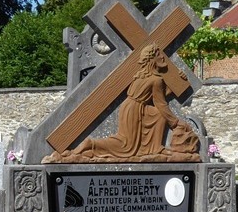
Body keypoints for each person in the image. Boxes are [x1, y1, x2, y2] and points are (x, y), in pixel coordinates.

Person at [65, 42, 199, 160]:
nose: (162, 57)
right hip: (135, 111)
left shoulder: (141, 76)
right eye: (159, 54)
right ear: (152, 59)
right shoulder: (156, 79)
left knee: (157, 115)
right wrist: (175, 123)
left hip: (129, 107)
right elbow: (161, 103)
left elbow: (157, 97)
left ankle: (155, 148)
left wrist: (179, 81)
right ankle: (91, 144)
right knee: (126, 146)